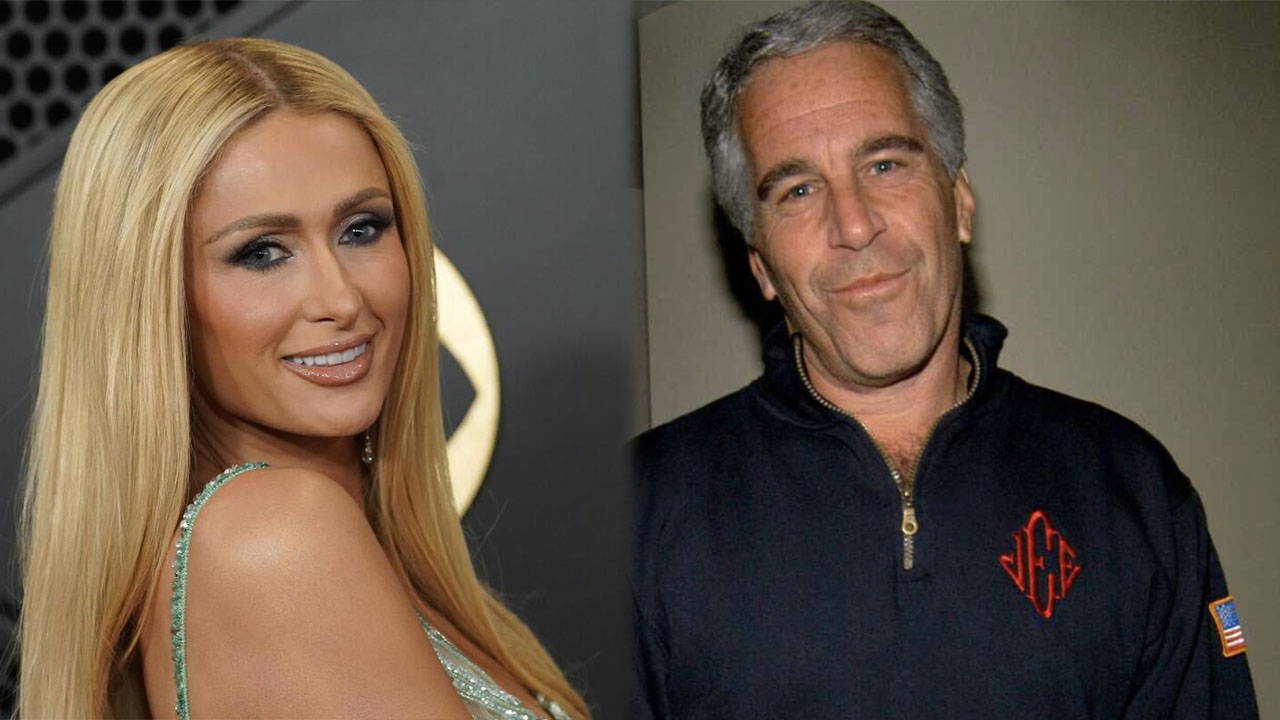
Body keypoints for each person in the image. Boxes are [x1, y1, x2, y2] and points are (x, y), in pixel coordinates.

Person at [632, 2, 1258, 718]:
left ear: (959, 203)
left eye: (885, 163)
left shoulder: (1131, 489)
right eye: (798, 190)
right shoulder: (635, 514)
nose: (854, 225)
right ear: (761, 265)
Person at [18, 38, 587, 719]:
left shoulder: (320, 546)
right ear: (149, 298)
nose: (341, 299)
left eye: (361, 229)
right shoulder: (277, 537)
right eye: (262, 253)